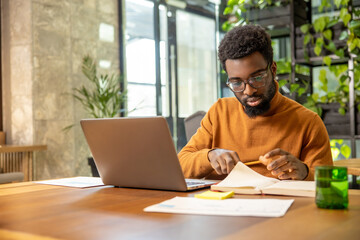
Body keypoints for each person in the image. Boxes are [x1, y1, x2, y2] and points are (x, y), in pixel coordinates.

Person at [178, 24, 333, 181]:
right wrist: (210, 156)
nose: (248, 91)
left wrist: (305, 172)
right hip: (222, 203)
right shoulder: (220, 112)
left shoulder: (308, 122)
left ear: (273, 70)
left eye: (257, 78)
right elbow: (181, 165)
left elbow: (328, 184)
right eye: (237, 83)